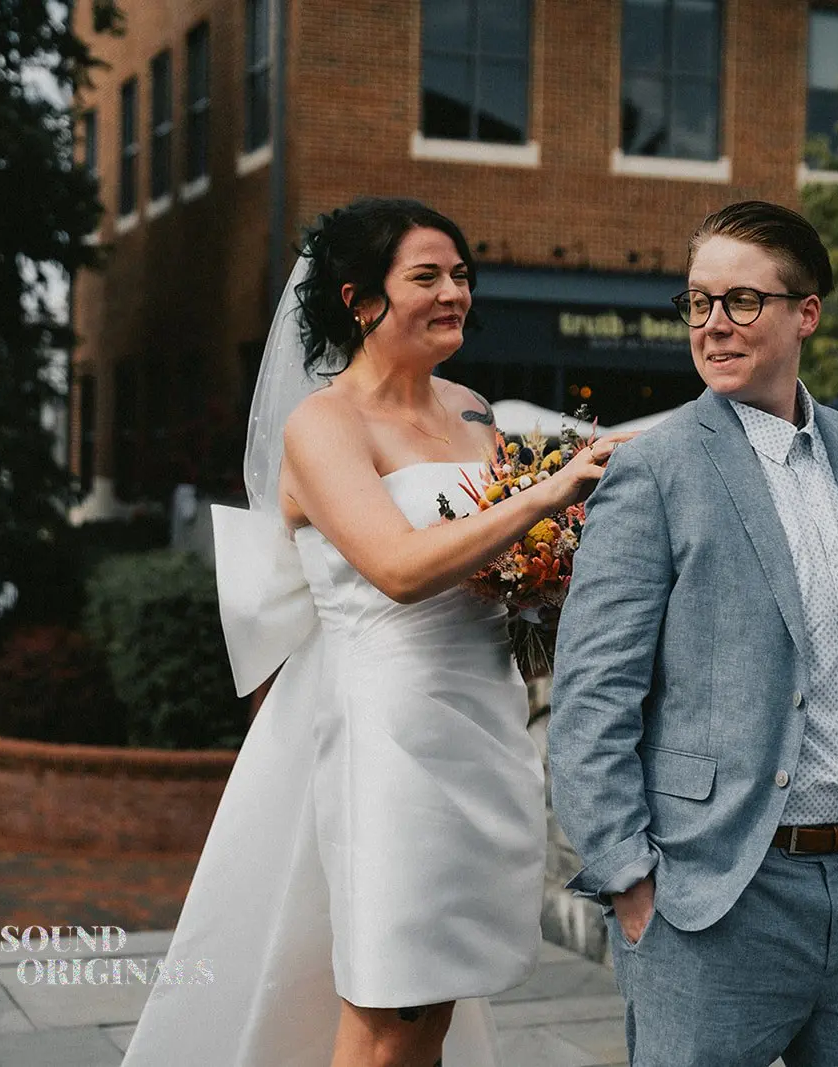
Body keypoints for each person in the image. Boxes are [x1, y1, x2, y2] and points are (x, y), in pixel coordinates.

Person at [123, 197, 624, 1067]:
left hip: (485, 719)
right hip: (387, 733)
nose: (453, 293)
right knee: (390, 1006)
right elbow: (397, 566)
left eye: (461, 275)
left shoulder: (472, 409)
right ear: (358, 301)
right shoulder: (324, 425)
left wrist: (550, 574)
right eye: (426, 276)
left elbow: (501, 563)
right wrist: (548, 494)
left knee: (434, 999)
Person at [548, 200, 838, 1067]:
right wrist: (629, 878)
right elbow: (593, 693)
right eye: (698, 302)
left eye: (742, 301)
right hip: (714, 894)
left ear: (805, 313)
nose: (714, 324)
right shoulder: (651, 469)